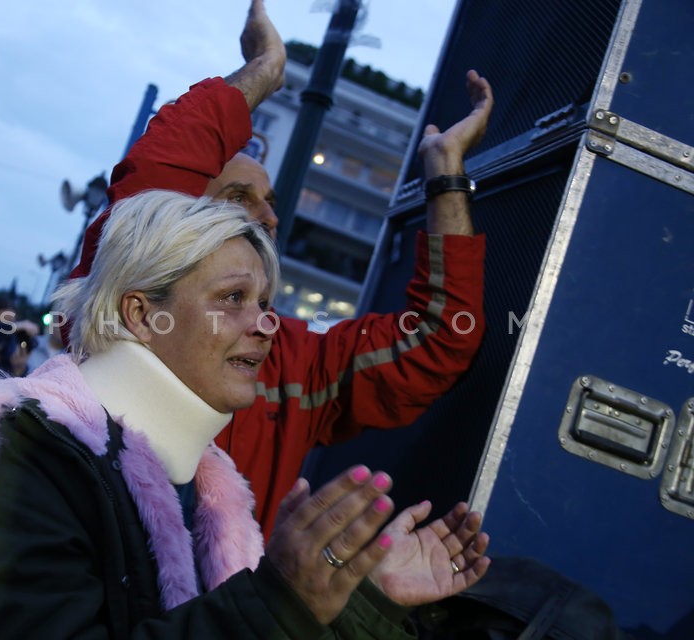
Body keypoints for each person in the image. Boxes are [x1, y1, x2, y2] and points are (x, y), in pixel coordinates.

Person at [0, 190, 490, 638]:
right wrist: (281, 600)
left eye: (265, 302)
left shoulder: (205, 488)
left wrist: (361, 601)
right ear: (142, 314)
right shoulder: (18, 463)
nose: (266, 324)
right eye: (233, 299)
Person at [69, 0, 493, 538]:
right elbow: (156, 177)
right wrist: (264, 72)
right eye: (239, 196)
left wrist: (445, 174)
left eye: (269, 201)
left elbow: (438, 339)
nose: (268, 216)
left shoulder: (294, 361)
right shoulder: (118, 303)